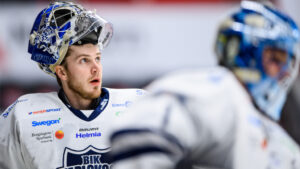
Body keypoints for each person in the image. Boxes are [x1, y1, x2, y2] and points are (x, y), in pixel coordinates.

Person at [108, 1, 300, 169]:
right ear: (247, 52)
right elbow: (141, 131)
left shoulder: (276, 137)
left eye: (287, 63)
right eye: (275, 58)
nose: (284, 72)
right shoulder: (220, 92)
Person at [0, 1, 145, 169]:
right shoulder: (23, 116)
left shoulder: (138, 105)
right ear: (61, 72)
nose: (96, 68)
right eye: (84, 60)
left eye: (97, 58)